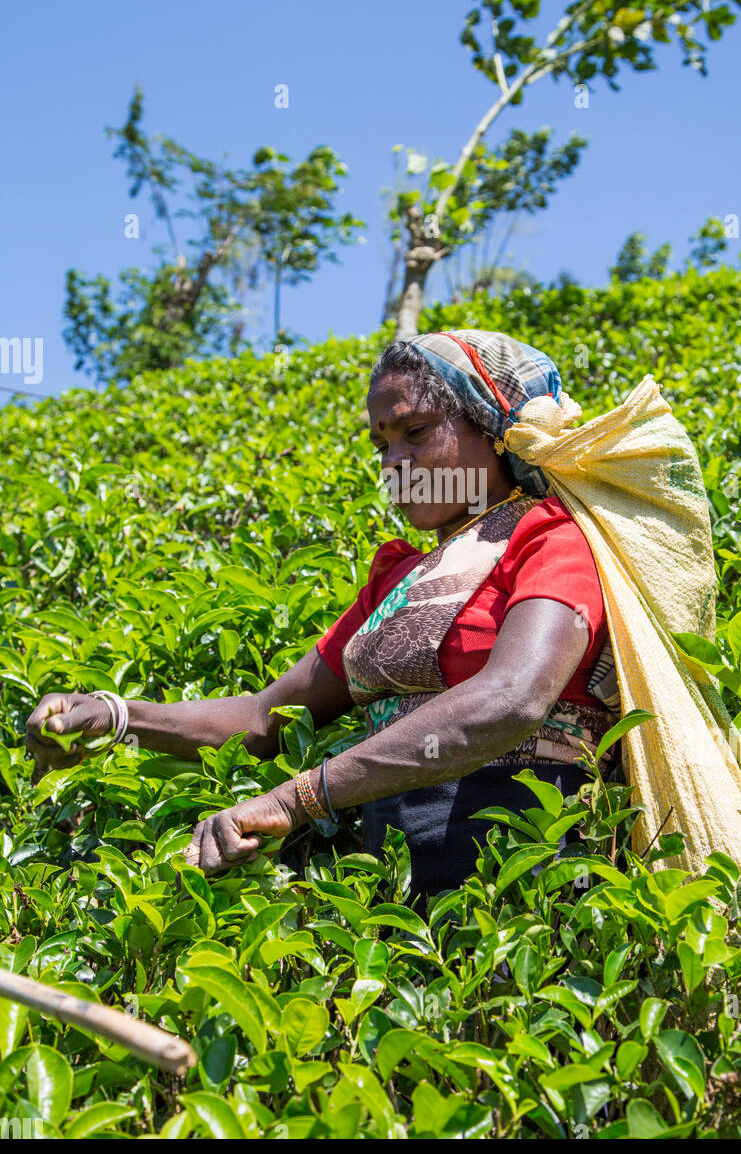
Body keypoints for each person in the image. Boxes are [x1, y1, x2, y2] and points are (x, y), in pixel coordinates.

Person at [26, 330, 622, 901]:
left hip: (521, 855)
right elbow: (266, 717)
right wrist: (117, 714)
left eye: (416, 431)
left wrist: (297, 799)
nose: (394, 461)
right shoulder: (402, 579)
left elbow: (512, 697)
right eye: (382, 444)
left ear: (495, 430)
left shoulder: (552, 538)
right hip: (387, 874)